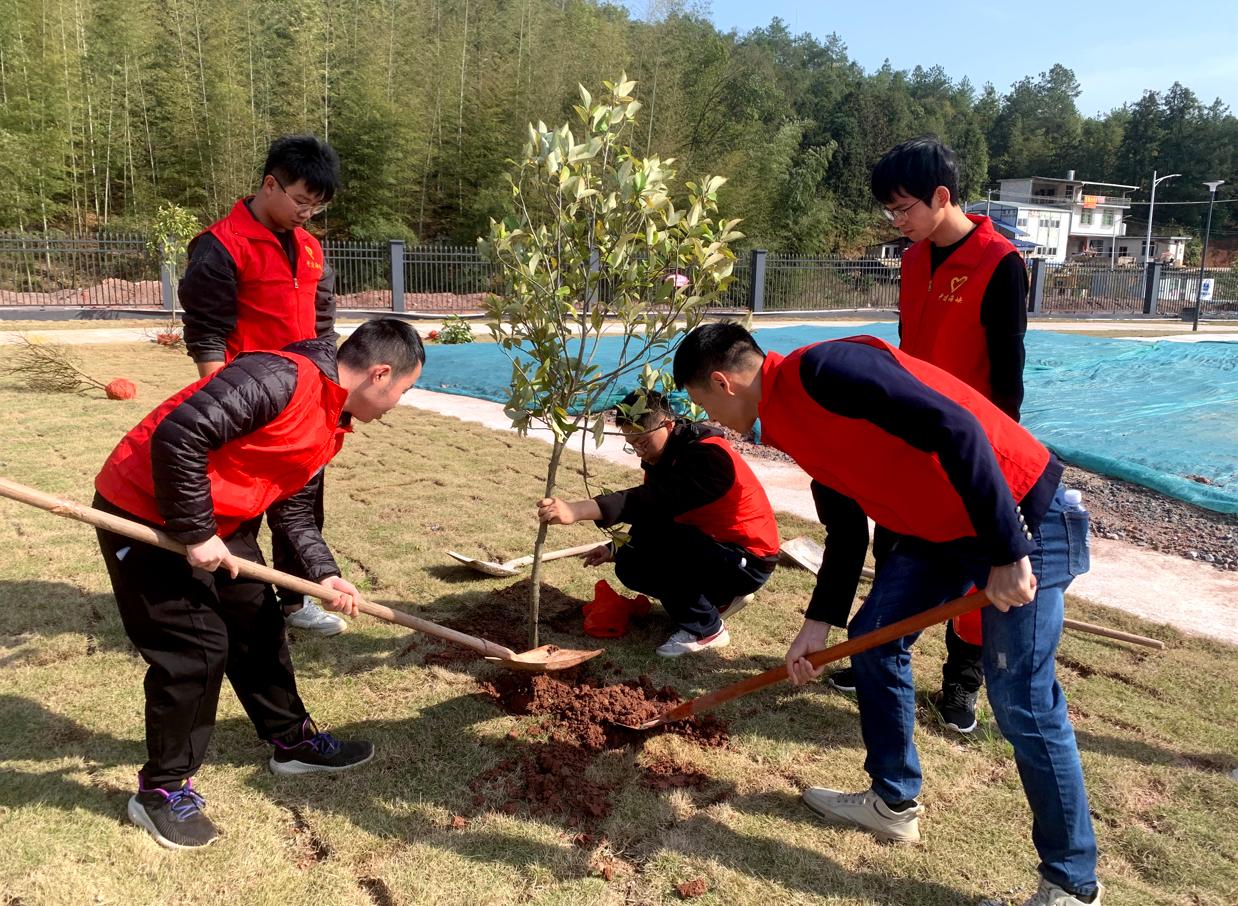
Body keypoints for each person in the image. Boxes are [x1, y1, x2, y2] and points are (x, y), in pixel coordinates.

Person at [673, 322, 1100, 906]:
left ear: (722, 383)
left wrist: (1007, 551)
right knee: (872, 638)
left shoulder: (825, 371)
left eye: (703, 404)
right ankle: (893, 801)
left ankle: (1071, 885)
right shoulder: (787, 426)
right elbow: (846, 530)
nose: (714, 421)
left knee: (1021, 699)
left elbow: (958, 427)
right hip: (942, 529)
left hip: (1021, 511)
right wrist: (815, 625)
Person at [93, 318, 425, 850]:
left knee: (259, 623)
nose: (396, 405)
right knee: (196, 652)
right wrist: (196, 532)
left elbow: (292, 511)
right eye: (402, 391)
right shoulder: (276, 380)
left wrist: (324, 574)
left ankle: (290, 742)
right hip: (143, 512)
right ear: (379, 374)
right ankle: (161, 790)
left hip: (222, 519)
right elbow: (179, 437)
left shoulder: (331, 418)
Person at [825, 136, 1030, 736]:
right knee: (898, 551)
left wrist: (999, 463)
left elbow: (1008, 372)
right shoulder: (913, 259)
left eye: (904, 208)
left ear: (942, 197)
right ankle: (881, 650)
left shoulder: (999, 262)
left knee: (973, 564)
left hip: (975, 444)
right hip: (911, 437)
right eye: (889, 211)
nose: (897, 221)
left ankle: (961, 683)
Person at [180, 133, 346, 636]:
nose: (306, 215)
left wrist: (330, 396)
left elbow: (323, 327)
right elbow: (206, 335)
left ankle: (295, 604)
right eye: (300, 201)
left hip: (302, 402)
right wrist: (219, 409)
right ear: (270, 184)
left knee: (300, 506)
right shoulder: (220, 246)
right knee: (238, 508)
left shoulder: (311, 250)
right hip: (246, 401)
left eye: (316, 208)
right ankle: (224, 602)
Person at [536, 389, 779, 657]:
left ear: (668, 425)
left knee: (651, 556)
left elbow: (651, 501)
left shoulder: (709, 458)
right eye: (632, 445)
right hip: (716, 547)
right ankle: (716, 599)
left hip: (748, 560)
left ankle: (707, 630)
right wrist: (615, 547)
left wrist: (579, 510)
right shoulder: (666, 455)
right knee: (630, 561)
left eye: (643, 442)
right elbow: (656, 516)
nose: (640, 452)